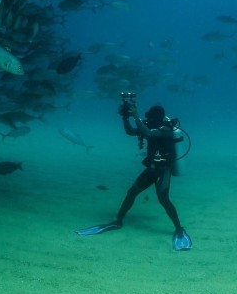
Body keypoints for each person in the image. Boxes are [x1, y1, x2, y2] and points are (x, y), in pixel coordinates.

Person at [75, 96, 192, 251]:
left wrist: (136, 116)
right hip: (151, 168)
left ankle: (179, 228)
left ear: (156, 117)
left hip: (163, 170)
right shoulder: (150, 126)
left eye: (150, 116)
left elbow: (150, 135)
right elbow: (131, 131)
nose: (147, 119)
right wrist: (125, 118)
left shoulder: (165, 130)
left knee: (163, 199)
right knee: (131, 192)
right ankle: (118, 220)